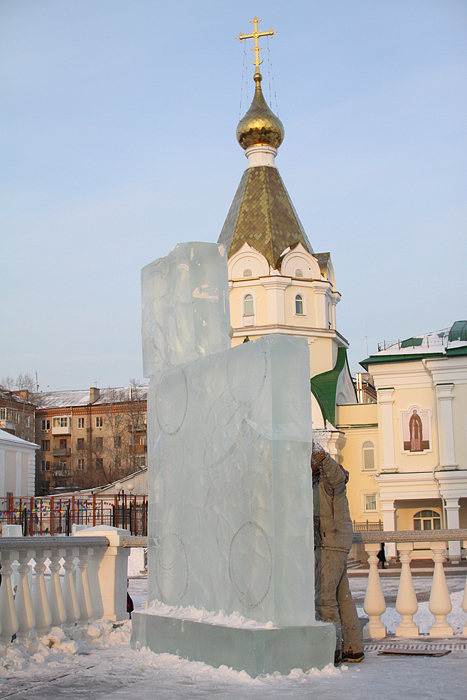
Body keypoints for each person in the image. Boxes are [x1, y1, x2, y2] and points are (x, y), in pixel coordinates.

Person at [311, 440, 364, 665]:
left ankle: (330, 650)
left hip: (330, 543)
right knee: (343, 599)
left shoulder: (331, 478)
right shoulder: (316, 481)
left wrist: (319, 453)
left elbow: (335, 473)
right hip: (332, 543)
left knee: (324, 600)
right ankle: (353, 648)